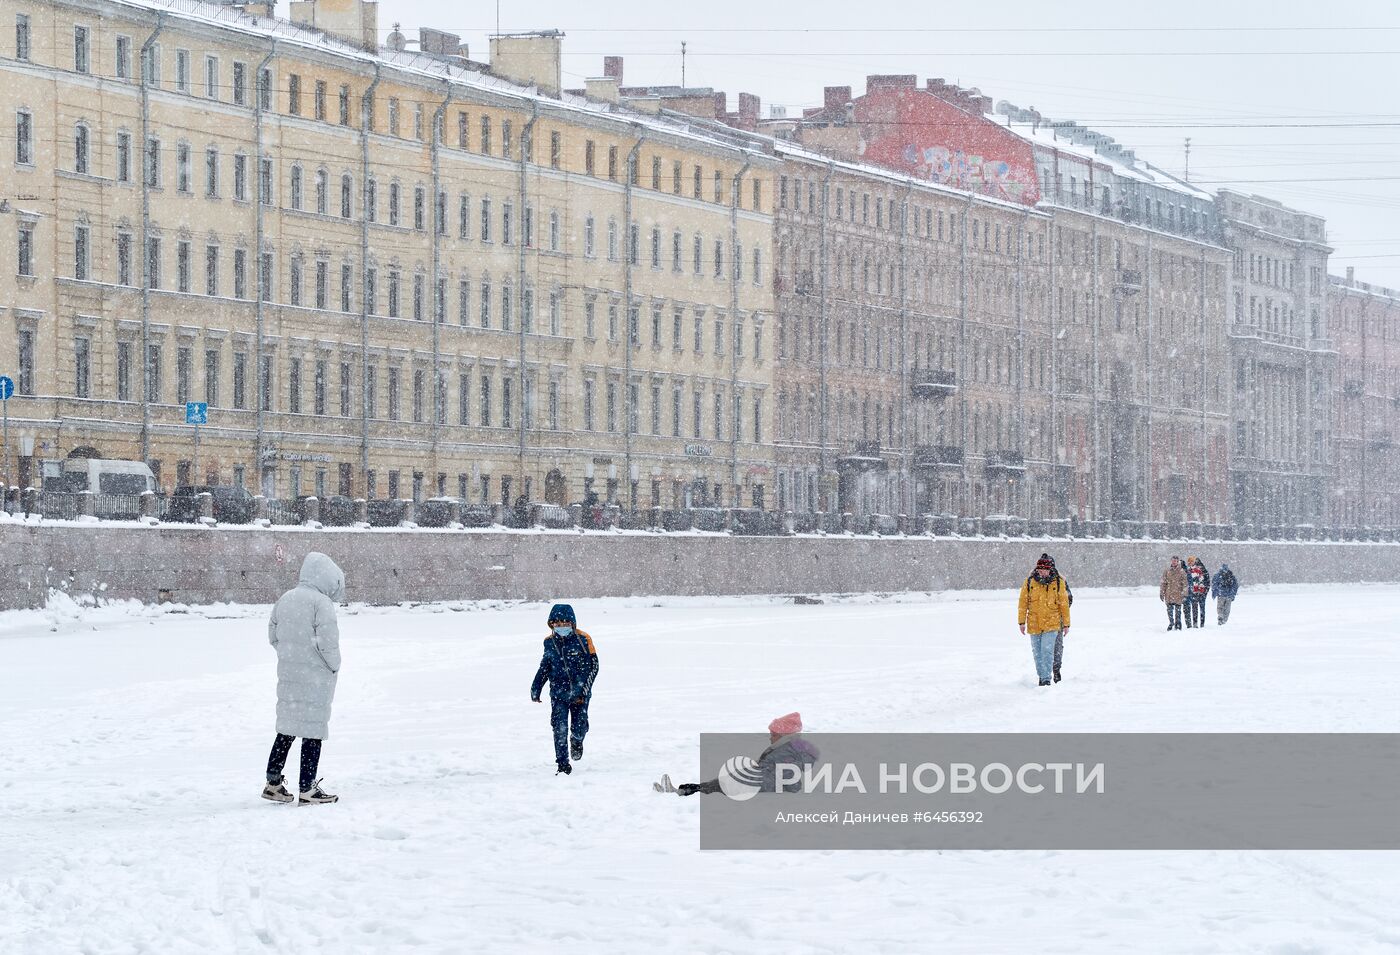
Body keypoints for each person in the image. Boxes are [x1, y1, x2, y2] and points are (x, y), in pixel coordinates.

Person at [261, 552, 345, 806]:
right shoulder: (321, 603)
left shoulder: (286, 598)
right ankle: (307, 788)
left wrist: (290, 655)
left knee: (286, 728)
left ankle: (273, 783)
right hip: (315, 676)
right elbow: (328, 643)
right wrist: (333, 666)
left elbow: (273, 634)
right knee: (312, 730)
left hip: (289, 673)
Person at [662, 712, 819, 796]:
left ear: (784, 736)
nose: (770, 736)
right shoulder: (789, 750)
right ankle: (682, 792)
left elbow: (788, 781)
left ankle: (681, 794)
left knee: (716, 786)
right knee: (716, 784)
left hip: (754, 788)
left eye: (773, 733)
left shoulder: (789, 753)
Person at [531, 603, 599, 775]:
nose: (561, 627)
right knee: (559, 727)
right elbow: (545, 667)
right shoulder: (548, 642)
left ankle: (577, 740)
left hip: (580, 694)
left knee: (578, 727)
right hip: (558, 694)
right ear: (552, 625)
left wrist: (584, 689)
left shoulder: (584, 639)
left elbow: (594, 666)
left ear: (572, 624)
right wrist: (536, 687)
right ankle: (562, 765)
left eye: (565, 624)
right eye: (557, 624)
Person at [1018, 555, 1071, 687]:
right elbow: (1023, 603)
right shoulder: (1029, 582)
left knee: (1047, 651)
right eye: (1039, 569)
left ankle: (1046, 680)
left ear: (1050, 569)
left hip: (1052, 623)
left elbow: (1064, 604)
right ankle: (1042, 676)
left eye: (1044, 569)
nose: (1042, 572)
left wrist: (1066, 624)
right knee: (1037, 654)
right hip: (1034, 623)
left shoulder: (1058, 582)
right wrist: (1021, 622)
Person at [1040, 553, 1074, 683]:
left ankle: (1055, 671)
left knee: (1056, 647)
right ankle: (1045, 674)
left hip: (1056, 620)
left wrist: (1056, 611)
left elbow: (1068, 599)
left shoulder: (1060, 581)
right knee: (1045, 649)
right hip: (1040, 621)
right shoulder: (1034, 580)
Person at [1160, 556, 1187, 631]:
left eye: (1175, 561)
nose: (1174, 562)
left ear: (1178, 562)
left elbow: (1185, 584)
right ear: (1171, 561)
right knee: (1169, 610)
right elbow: (1163, 583)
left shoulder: (1182, 571)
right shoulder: (1167, 571)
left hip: (1178, 594)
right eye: (1173, 561)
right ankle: (1171, 622)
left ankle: (1178, 623)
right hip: (1169, 594)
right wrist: (1162, 593)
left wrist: (1184, 594)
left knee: (1178, 611)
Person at [1184, 556, 1211, 628]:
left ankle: (1201, 623)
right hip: (1194, 592)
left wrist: (1205, 591)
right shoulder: (1189, 570)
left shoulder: (1201, 570)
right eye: (1189, 562)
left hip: (1201, 592)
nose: (1190, 563)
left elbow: (1206, 581)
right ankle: (1196, 623)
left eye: (1191, 562)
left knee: (1200, 608)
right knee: (1195, 608)